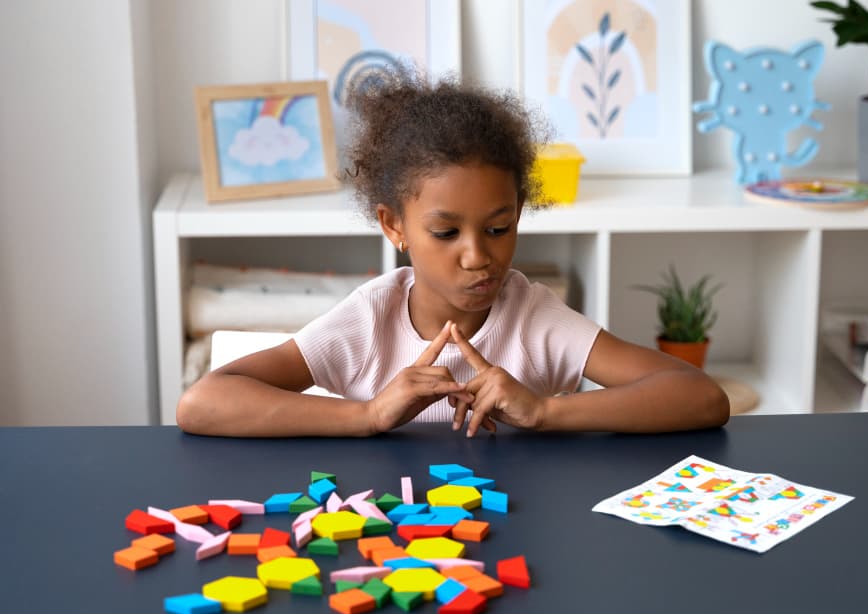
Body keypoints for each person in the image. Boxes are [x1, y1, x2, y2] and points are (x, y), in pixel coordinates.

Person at [176, 73, 730, 438]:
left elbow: (701, 397)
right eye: (446, 233)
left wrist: (546, 411)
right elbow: (203, 402)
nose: (478, 257)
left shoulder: (533, 317)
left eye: (498, 227)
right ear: (395, 226)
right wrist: (367, 414)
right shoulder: (370, 319)